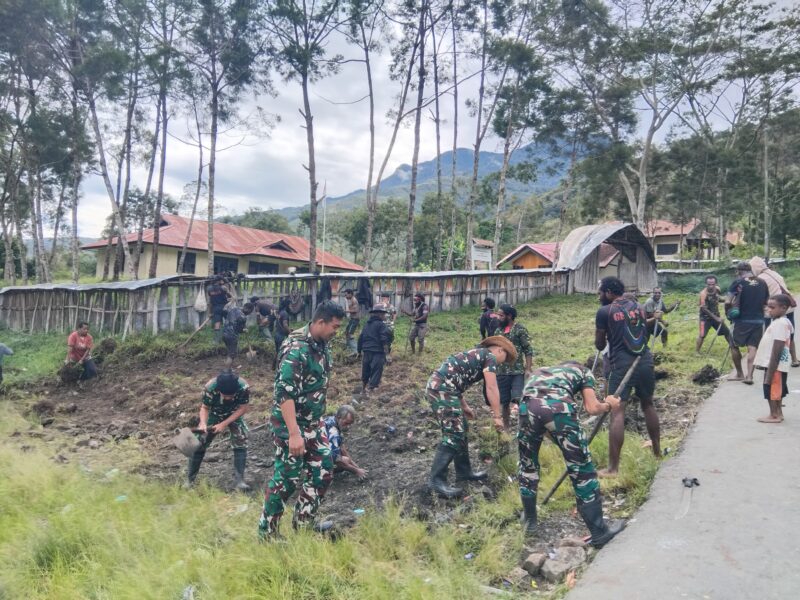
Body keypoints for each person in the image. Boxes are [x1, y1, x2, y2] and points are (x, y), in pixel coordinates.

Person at [258, 300, 346, 539]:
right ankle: (268, 533)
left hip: (314, 424)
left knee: (324, 470)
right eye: (334, 327)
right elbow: (284, 393)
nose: (336, 332)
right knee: (287, 479)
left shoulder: (321, 343)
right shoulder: (295, 347)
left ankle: (304, 522)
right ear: (320, 322)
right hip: (291, 427)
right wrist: (294, 434)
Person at [517, 362, 625, 547]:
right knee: (582, 470)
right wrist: (609, 405)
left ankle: (530, 523)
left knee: (528, 465)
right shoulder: (584, 371)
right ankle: (599, 533)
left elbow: (539, 410)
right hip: (559, 410)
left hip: (526, 409)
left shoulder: (539, 373)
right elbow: (592, 408)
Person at [425, 336, 516, 498]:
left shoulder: (477, 355)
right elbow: (492, 387)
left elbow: (455, 377)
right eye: (505, 359)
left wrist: (465, 406)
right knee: (453, 433)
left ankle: (464, 471)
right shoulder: (489, 357)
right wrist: (497, 416)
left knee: (463, 428)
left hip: (445, 388)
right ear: (500, 350)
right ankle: (436, 481)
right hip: (442, 390)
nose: (502, 363)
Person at [595, 277, 660, 476]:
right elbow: (643, 329)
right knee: (648, 404)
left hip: (620, 364)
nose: (599, 296)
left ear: (607, 292)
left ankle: (613, 468)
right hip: (644, 359)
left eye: (600, 292)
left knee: (617, 411)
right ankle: (657, 452)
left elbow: (599, 345)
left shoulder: (605, 311)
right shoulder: (639, 307)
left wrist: (604, 337)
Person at [186, 369, 252, 491]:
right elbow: (205, 408)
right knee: (198, 443)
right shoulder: (210, 387)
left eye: (231, 396)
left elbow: (243, 408)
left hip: (234, 413)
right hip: (214, 413)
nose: (228, 398)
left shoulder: (243, 387)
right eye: (225, 395)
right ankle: (190, 481)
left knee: (241, 439)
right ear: (219, 390)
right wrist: (203, 424)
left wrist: (224, 424)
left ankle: (239, 481)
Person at [725, 261, 769, 384]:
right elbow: (766, 302)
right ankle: (749, 376)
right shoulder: (762, 282)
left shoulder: (738, 282)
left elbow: (728, 302)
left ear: (738, 271)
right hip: (758, 320)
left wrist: (728, 313)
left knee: (734, 345)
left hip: (741, 320)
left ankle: (739, 373)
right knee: (753, 347)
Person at [751, 256, 799, 367]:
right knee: (790, 333)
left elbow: (757, 295)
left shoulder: (759, 279)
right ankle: (795, 359)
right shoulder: (774, 273)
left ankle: (763, 362)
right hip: (788, 306)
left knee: (767, 333)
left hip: (774, 308)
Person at [753, 294, 794, 423]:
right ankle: (778, 413)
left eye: (772, 307)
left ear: (783, 308)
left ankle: (774, 415)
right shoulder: (782, 321)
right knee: (777, 388)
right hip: (777, 364)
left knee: (771, 387)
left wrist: (770, 371)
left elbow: (777, 349)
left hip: (775, 364)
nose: (768, 310)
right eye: (768, 307)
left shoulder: (780, 324)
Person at [492, 304, 534, 429]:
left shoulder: (520, 329)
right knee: (504, 402)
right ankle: (506, 428)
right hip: (501, 372)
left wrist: (528, 368)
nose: (498, 317)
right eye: (498, 315)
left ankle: (524, 428)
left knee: (519, 399)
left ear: (509, 316)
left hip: (517, 371)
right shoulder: (498, 331)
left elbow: (528, 349)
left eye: (501, 315)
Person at [695, 275, 736, 359]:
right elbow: (703, 308)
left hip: (716, 316)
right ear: (706, 284)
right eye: (709, 284)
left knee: (727, 332)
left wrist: (727, 300)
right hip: (705, 318)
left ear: (716, 283)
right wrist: (716, 318)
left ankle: (733, 348)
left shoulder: (717, 289)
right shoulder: (703, 294)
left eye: (712, 284)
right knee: (702, 335)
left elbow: (718, 298)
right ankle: (697, 352)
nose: (711, 286)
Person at [323, 405, 367, 480]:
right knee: (343, 461)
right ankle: (322, 474)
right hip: (314, 457)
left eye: (350, 424)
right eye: (346, 423)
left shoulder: (333, 421)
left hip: (317, 452)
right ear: (339, 417)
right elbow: (337, 459)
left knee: (346, 460)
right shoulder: (333, 432)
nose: (348, 427)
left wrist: (353, 464)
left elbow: (342, 447)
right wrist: (356, 471)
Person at [357, 303, 392, 397]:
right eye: (384, 314)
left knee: (366, 370)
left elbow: (360, 338)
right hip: (378, 352)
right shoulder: (381, 325)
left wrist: (359, 351)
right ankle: (370, 390)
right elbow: (384, 340)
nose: (385, 316)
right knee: (377, 371)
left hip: (366, 351)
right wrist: (387, 354)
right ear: (379, 314)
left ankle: (363, 389)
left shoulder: (366, 325)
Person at [208, 276, 231, 343]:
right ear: (219, 281)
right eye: (221, 280)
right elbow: (230, 296)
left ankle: (216, 341)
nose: (222, 281)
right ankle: (229, 338)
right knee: (229, 322)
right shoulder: (223, 288)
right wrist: (227, 290)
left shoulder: (209, 289)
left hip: (215, 308)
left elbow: (210, 302)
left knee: (217, 324)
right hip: (224, 307)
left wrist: (210, 312)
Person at [272, 298, 291, 369]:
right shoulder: (285, 313)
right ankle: (279, 368)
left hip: (276, 334)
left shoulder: (280, 312)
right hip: (281, 336)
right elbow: (285, 325)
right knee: (282, 353)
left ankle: (273, 366)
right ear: (287, 305)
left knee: (277, 351)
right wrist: (290, 333)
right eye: (289, 305)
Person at [378, 292, 397, 361]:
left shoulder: (391, 306)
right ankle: (384, 354)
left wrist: (393, 322)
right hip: (381, 325)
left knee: (390, 339)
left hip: (389, 325)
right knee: (382, 339)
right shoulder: (379, 306)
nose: (384, 299)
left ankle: (387, 351)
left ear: (388, 298)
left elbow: (394, 313)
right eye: (383, 298)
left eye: (385, 298)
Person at [343, 289, 360, 355]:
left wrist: (346, 311)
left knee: (350, 334)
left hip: (355, 319)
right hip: (352, 319)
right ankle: (348, 347)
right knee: (347, 332)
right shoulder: (350, 300)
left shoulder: (354, 300)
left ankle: (355, 350)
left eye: (346, 294)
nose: (345, 295)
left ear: (350, 294)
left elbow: (355, 310)